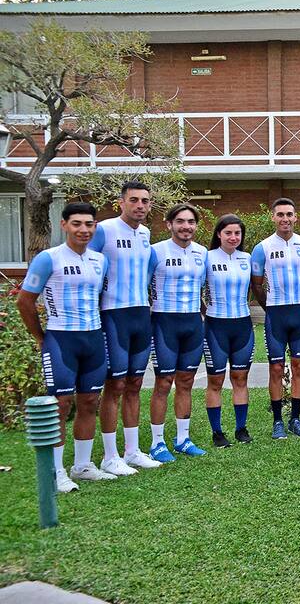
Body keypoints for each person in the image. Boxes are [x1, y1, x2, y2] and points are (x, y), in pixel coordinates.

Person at [18, 202, 111, 493]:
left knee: (88, 402)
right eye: (77, 224)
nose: (83, 230)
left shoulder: (99, 260)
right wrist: (39, 336)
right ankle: (55, 471)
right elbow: (24, 301)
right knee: (60, 404)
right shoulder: (48, 258)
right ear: (64, 225)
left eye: (89, 224)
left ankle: (82, 466)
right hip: (60, 339)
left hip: (93, 338)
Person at [91, 181, 159, 474]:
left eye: (145, 201)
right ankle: (109, 455)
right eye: (134, 200)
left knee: (134, 383)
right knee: (114, 385)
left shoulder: (145, 234)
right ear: (121, 202)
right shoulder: (104, 230)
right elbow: (88, 267)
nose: (140, 205)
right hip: (113, 315)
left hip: (140, 314)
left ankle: (132, 450)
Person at [251, 197, 300, 438]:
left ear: (296, 217)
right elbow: (256, 284)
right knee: (276, 368)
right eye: (280, 214)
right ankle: (278, 421)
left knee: (299, 366)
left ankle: (296, 419)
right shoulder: (262, 248)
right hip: (276, 314)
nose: (285, 219)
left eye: (289, 214)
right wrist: (269, 307)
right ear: (273, 217)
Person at [145, 204, 209, 461]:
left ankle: (182, 438)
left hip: (193, 323)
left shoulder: (202, 253)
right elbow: (143, 286)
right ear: (169, 223)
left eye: (191, 222)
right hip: (163, 323)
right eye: (180, 221)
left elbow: (203, 288)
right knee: (163, 383)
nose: (186, 226)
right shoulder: (155, 251)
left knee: (186, 382)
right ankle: (157, 442)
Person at [203, 214, 255, 446]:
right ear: (218, 234)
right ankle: (217, 432)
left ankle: (241, 429)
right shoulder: (207, 258)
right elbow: (197, 288)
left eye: (237, 233)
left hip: (242, 325)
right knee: (215, 381)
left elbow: (253, 288)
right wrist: (206, 311)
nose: (233, 237)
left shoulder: (247, 257)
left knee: (240, 378)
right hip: (216, 326)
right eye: (228, 233)